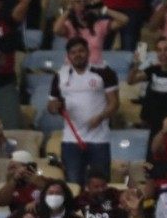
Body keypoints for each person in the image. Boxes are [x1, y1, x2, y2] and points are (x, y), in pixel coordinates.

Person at [47, 37, 119, 185]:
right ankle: (76, 209)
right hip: (71, 140)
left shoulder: (104, 71)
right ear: (68, 56)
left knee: (101, 185)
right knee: (73, 184)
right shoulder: (60, 75)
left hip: (99, 139)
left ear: (88, 52)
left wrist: (100, 117)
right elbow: (51, 105)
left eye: (81, 51)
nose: (77, 55)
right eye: (73, 52)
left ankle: (104, 209)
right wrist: (54, 107)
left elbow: (115, 103)